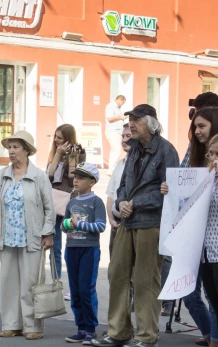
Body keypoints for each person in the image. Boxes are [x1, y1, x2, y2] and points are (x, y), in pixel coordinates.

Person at [92, 104, 179, 347]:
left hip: (151, 223)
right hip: (128, 221)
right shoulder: (133, 150)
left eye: (136, 120)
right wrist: (121, 203)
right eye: (130, 119)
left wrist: (135, 203)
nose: (131, 124)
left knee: (145, 280)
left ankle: (147, 336)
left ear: (150, 122)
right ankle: (118, 332)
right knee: (117, 274)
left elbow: (170, 190)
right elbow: (121, 185)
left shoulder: (166, 150)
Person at [0, 130, 55, 341]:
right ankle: (12, 324)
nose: (11, 151)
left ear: (26, 150)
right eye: (9, 147)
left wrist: (48, 233)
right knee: (9, 284)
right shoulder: (3, 175)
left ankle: (33, 326)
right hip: (7, 237)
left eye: (15, 147)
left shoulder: (38, 176)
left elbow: (50, 208)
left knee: (31, 285)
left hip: (32, 238)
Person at [159, 107, 218, 345]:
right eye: (195, 126)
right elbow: (181, 183)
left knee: (213, 296)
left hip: (212, 245)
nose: (197, 131)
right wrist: (170, 188)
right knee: (193, 292)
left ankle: (214, 337)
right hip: (195, 241)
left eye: (202, 126)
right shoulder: (193, 152)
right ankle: (209, 333)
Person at [61, 163, 106, 345]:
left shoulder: (96, 202)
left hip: (89, 249)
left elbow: (101, 226)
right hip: (71, 248)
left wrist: (79, 224)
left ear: (92, 182)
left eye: (81, 178)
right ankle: (80, 328)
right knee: (75, 291)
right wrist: (68, 225)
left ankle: (90, 329)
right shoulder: (71, 202)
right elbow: (64, 225)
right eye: (75, 177)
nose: (76, 180)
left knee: (86, 289)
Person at [46, 124, 85, 282]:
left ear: (68, 139)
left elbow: (72, 176)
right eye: (55, 136)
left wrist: (72, 157)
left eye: (59, 137)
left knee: (73, 243)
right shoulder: (55, 153)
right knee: (54, 246)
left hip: (69, 202)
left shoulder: (79, 152)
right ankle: (56, 281)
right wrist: (57, 155)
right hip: (54, 203)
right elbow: (48, 174)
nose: (56, 140)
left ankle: (74, 283)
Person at [200, 134, 218, 347]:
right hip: (207, 251)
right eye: (211, 154)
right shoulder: (208, 179)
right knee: (213, 301)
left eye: (217, 154)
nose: (213, 159)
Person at [105, 124, 132, 258]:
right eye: (123, 136)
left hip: (131, 223)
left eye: (128, 136)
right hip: (116, 224)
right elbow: (110, 195)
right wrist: (111, 219)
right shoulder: (119, 164)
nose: (124, 140)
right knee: (115, 269)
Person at [105, 95, 127, 174]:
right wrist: (121, 117)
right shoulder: (110, 106)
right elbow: (110, 118)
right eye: (122, 102)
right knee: (116, 150)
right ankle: (111, 170)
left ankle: (111, 169)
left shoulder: (118, 108)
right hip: (113, 131)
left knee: (116, 150)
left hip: (118, 131)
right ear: (119, 100)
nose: (122, 104)